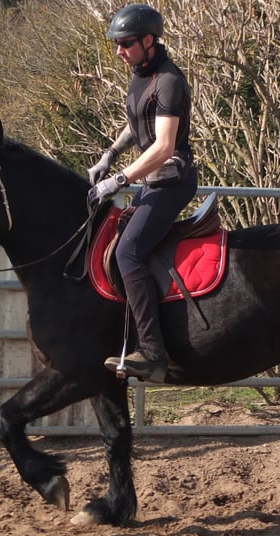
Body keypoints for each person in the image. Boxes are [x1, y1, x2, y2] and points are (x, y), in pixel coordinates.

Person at [87, 4, 198, 384]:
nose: (119, 51)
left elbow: (164, 145)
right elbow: (136, 122)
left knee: (127, 251)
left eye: (126, 44)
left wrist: (119, 179)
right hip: (153, 181)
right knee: (116, 242)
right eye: (116, 44)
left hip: (172, 181)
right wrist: (110, 153)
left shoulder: (168, 80)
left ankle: (153, 354)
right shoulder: (142, 75)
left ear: (149, 40)